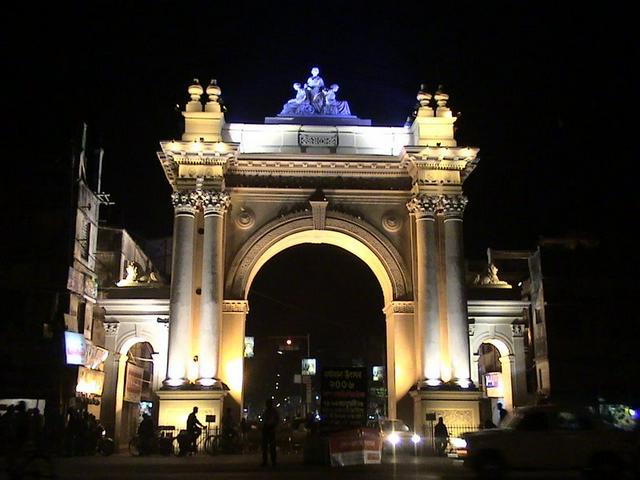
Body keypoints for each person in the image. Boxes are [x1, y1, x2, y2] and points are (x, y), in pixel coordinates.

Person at [261, 399, 279, 467]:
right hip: (268, 428)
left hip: (270, 428)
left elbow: (276, 420)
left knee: (271, 446)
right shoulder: (270, 411)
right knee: (267, 446)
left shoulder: (272, 411)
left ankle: (271, 461)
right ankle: (268, 461)